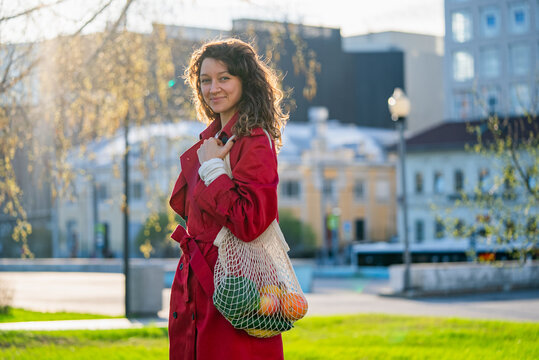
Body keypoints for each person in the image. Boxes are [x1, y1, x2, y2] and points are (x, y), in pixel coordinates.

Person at [168, 38, 288, 360]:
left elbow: (251, 221)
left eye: (224, 78)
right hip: (200, 285)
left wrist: (212, 170)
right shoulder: (212, 139)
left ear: (244, 82)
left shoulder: (254, 140)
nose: (213, 88)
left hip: (233, 285)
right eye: (205, 80)